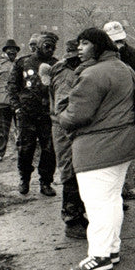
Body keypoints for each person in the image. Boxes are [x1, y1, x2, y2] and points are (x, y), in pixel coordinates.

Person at [58, 27, 135, 270]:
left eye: (84, 43)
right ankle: (111, 249)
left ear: (99, 46)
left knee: (97, 205)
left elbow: (76, 115)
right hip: (123, 144)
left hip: (98, 148)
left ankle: (99, 256)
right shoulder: (125, 69)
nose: (79, 48)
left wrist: (60, 117)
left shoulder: (93, 74)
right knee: (112, 200)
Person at [9, 31, 58, 196]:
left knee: (49, 150)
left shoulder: (56, 65)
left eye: (53, 47)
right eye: (47, 46)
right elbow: (12, 86)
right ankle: (24, 179)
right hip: (27, 114)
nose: (50, 49)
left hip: (47, 115)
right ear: (38, 46)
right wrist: (17, 107)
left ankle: (46, 182)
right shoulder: (23, 63)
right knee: (25, 149)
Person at [49, 39, 88, 239]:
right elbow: (63, 107)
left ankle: (78, 214)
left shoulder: (79, 70)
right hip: (65, 126)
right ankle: (72, 219)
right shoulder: (65, 73)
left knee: (78, 169)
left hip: (73, 125)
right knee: (70, 171)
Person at [103, 20, 135, 202]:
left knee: (125, 149)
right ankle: (112, 190)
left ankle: (125, 188)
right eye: (114, 41)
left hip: (128, 108)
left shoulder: (133, 54)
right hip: (108, 111)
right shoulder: (100, 57)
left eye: (120, 40)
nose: (118, 45)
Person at [0, 39, 20, 163]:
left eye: (15, 50)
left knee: (21, 128)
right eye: (9, 50)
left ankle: (21, 152)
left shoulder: (20, 64)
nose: (12, 52)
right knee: (2, 129)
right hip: (3, 101)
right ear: (5, 51)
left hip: (18, 102)